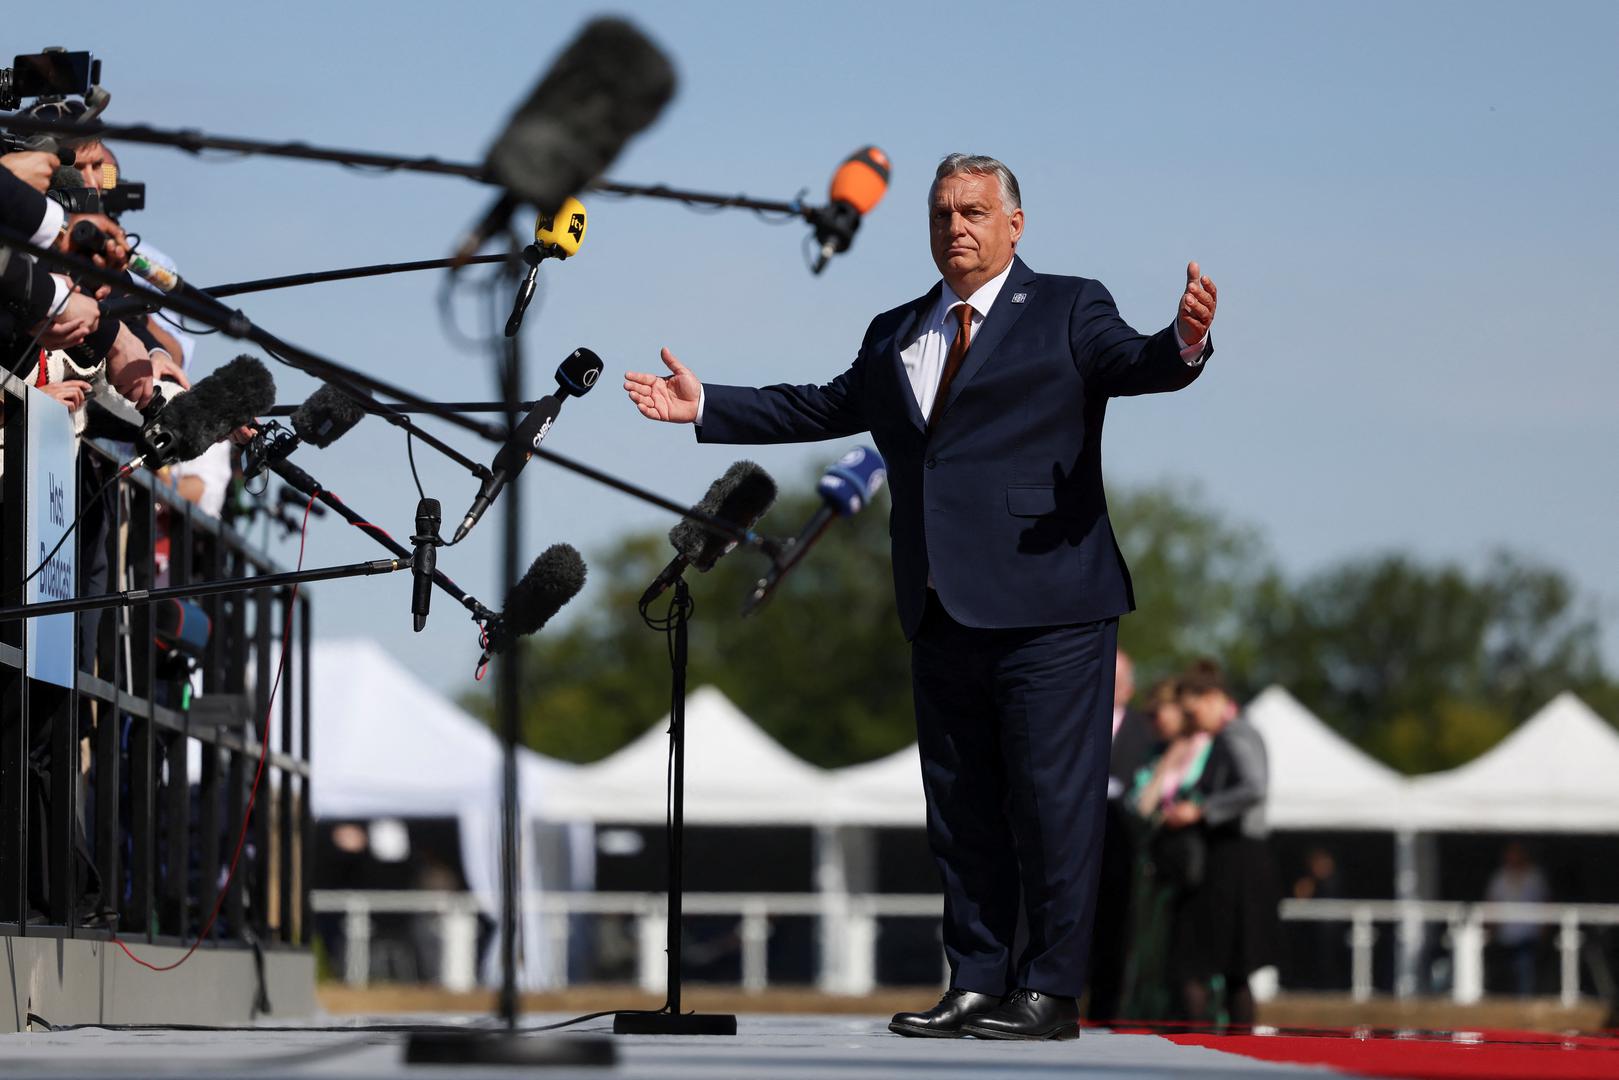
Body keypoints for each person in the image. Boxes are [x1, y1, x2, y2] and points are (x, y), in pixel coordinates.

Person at [624, 153, 1217, 1040]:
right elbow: (823, 406)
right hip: (938, 604)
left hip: (1050, 604)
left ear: (1015, 224)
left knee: (1051, 809)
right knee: (960, 810)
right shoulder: (897, 328)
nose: (956, 228)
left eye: (974, 211)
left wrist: (1183, 340)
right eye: (942, 213)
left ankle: (1049, 991)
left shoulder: (1066, 306)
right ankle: (975, 979)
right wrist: (706, 403)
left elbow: (1135, 361)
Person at [1170, 659, 1278, 1026]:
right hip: (1237, 857)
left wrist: (1201, 810)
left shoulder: (1235, 734)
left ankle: (1198, 1042)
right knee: (1235, 969)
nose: (1191, 720)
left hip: (1234, 859)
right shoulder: (1232, 735)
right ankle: (1233, 1044)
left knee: (1201, 961)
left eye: (1193, 711)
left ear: (1214, 698)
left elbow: (1254, 787)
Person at [1119, 679, 1209, 1019]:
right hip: (1161, 863)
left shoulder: (1206, 746)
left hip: (1198, 863)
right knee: (1158, 951)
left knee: (1191, 954)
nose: (1154, 721)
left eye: (1159, 712)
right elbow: (1141, 805)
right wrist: (1165, 765)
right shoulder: (1156, 753)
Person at [1087, 649, 1157, 1020]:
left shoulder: (1146, 730)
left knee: (1115, 930)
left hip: (1122, 846)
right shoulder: (1078, 722)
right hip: (1079, 846)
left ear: (1129, 687)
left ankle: (1107, 1008)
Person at [1485, 841, 1549, 997]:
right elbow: (1491, 904)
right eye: (1510, 853)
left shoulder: (1535, 877)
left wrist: (1543, 933)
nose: (1512, 856)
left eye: (1516, 853)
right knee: (1503, 979)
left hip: (1528, 937)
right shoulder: (1500, 877)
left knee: (1525, 977)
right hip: (1504, 938)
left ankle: (1525, 1005)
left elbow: (1545, 904)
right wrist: (1490, 933)